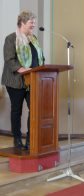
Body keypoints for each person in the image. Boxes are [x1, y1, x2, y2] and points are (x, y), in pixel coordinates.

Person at [1, 11, 44, 150]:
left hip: (32, 80)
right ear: (22, 23)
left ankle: (31, 139)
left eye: (34, 22)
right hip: (15, 80)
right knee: (16, 110)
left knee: (35, 109)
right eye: (31, 22)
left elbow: (38, 57)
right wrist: (22, 70)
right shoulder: (11, 38)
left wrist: (41, 69)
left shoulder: (34, 39)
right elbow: (9, 59)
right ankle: (17, 138)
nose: (34, 25)